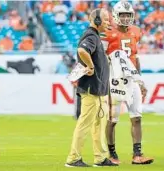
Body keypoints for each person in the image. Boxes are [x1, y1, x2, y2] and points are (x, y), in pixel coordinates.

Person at [100, 1, 154, 165]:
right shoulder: (107, 32)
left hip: (132, 80)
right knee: (112, 119)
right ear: (116, 15)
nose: (125, 18)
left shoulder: (136, 31)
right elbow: (101, 57)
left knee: (137, 117)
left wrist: (140, 80)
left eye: (128, 15)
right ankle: (112, 154)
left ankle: (137, 154)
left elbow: (135, 58)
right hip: (114, 80)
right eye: (122, 15)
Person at [65, 8, 118, 167]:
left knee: (98, 126)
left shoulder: (95, 36)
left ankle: (100, 158)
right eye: (106, 19)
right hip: (92, 89)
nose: (108, 22)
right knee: (85, 125)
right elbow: (82, 50)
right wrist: (90, 66)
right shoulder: (91, 35)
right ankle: (73, 158)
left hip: (98, 90)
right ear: (96, 21)